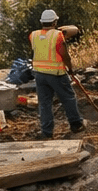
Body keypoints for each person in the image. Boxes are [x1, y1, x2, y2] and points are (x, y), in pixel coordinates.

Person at [29, 9, 84, 139]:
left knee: (44, 104)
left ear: (42, 22)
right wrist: (70, 69)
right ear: (54, 22)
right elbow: (64, 55)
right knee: (68, 98)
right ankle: (76, 124)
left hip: (39, 74)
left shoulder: (33, 35)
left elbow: (43, 43)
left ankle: (46, 132)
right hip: (56, 74)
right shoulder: (58, 35)